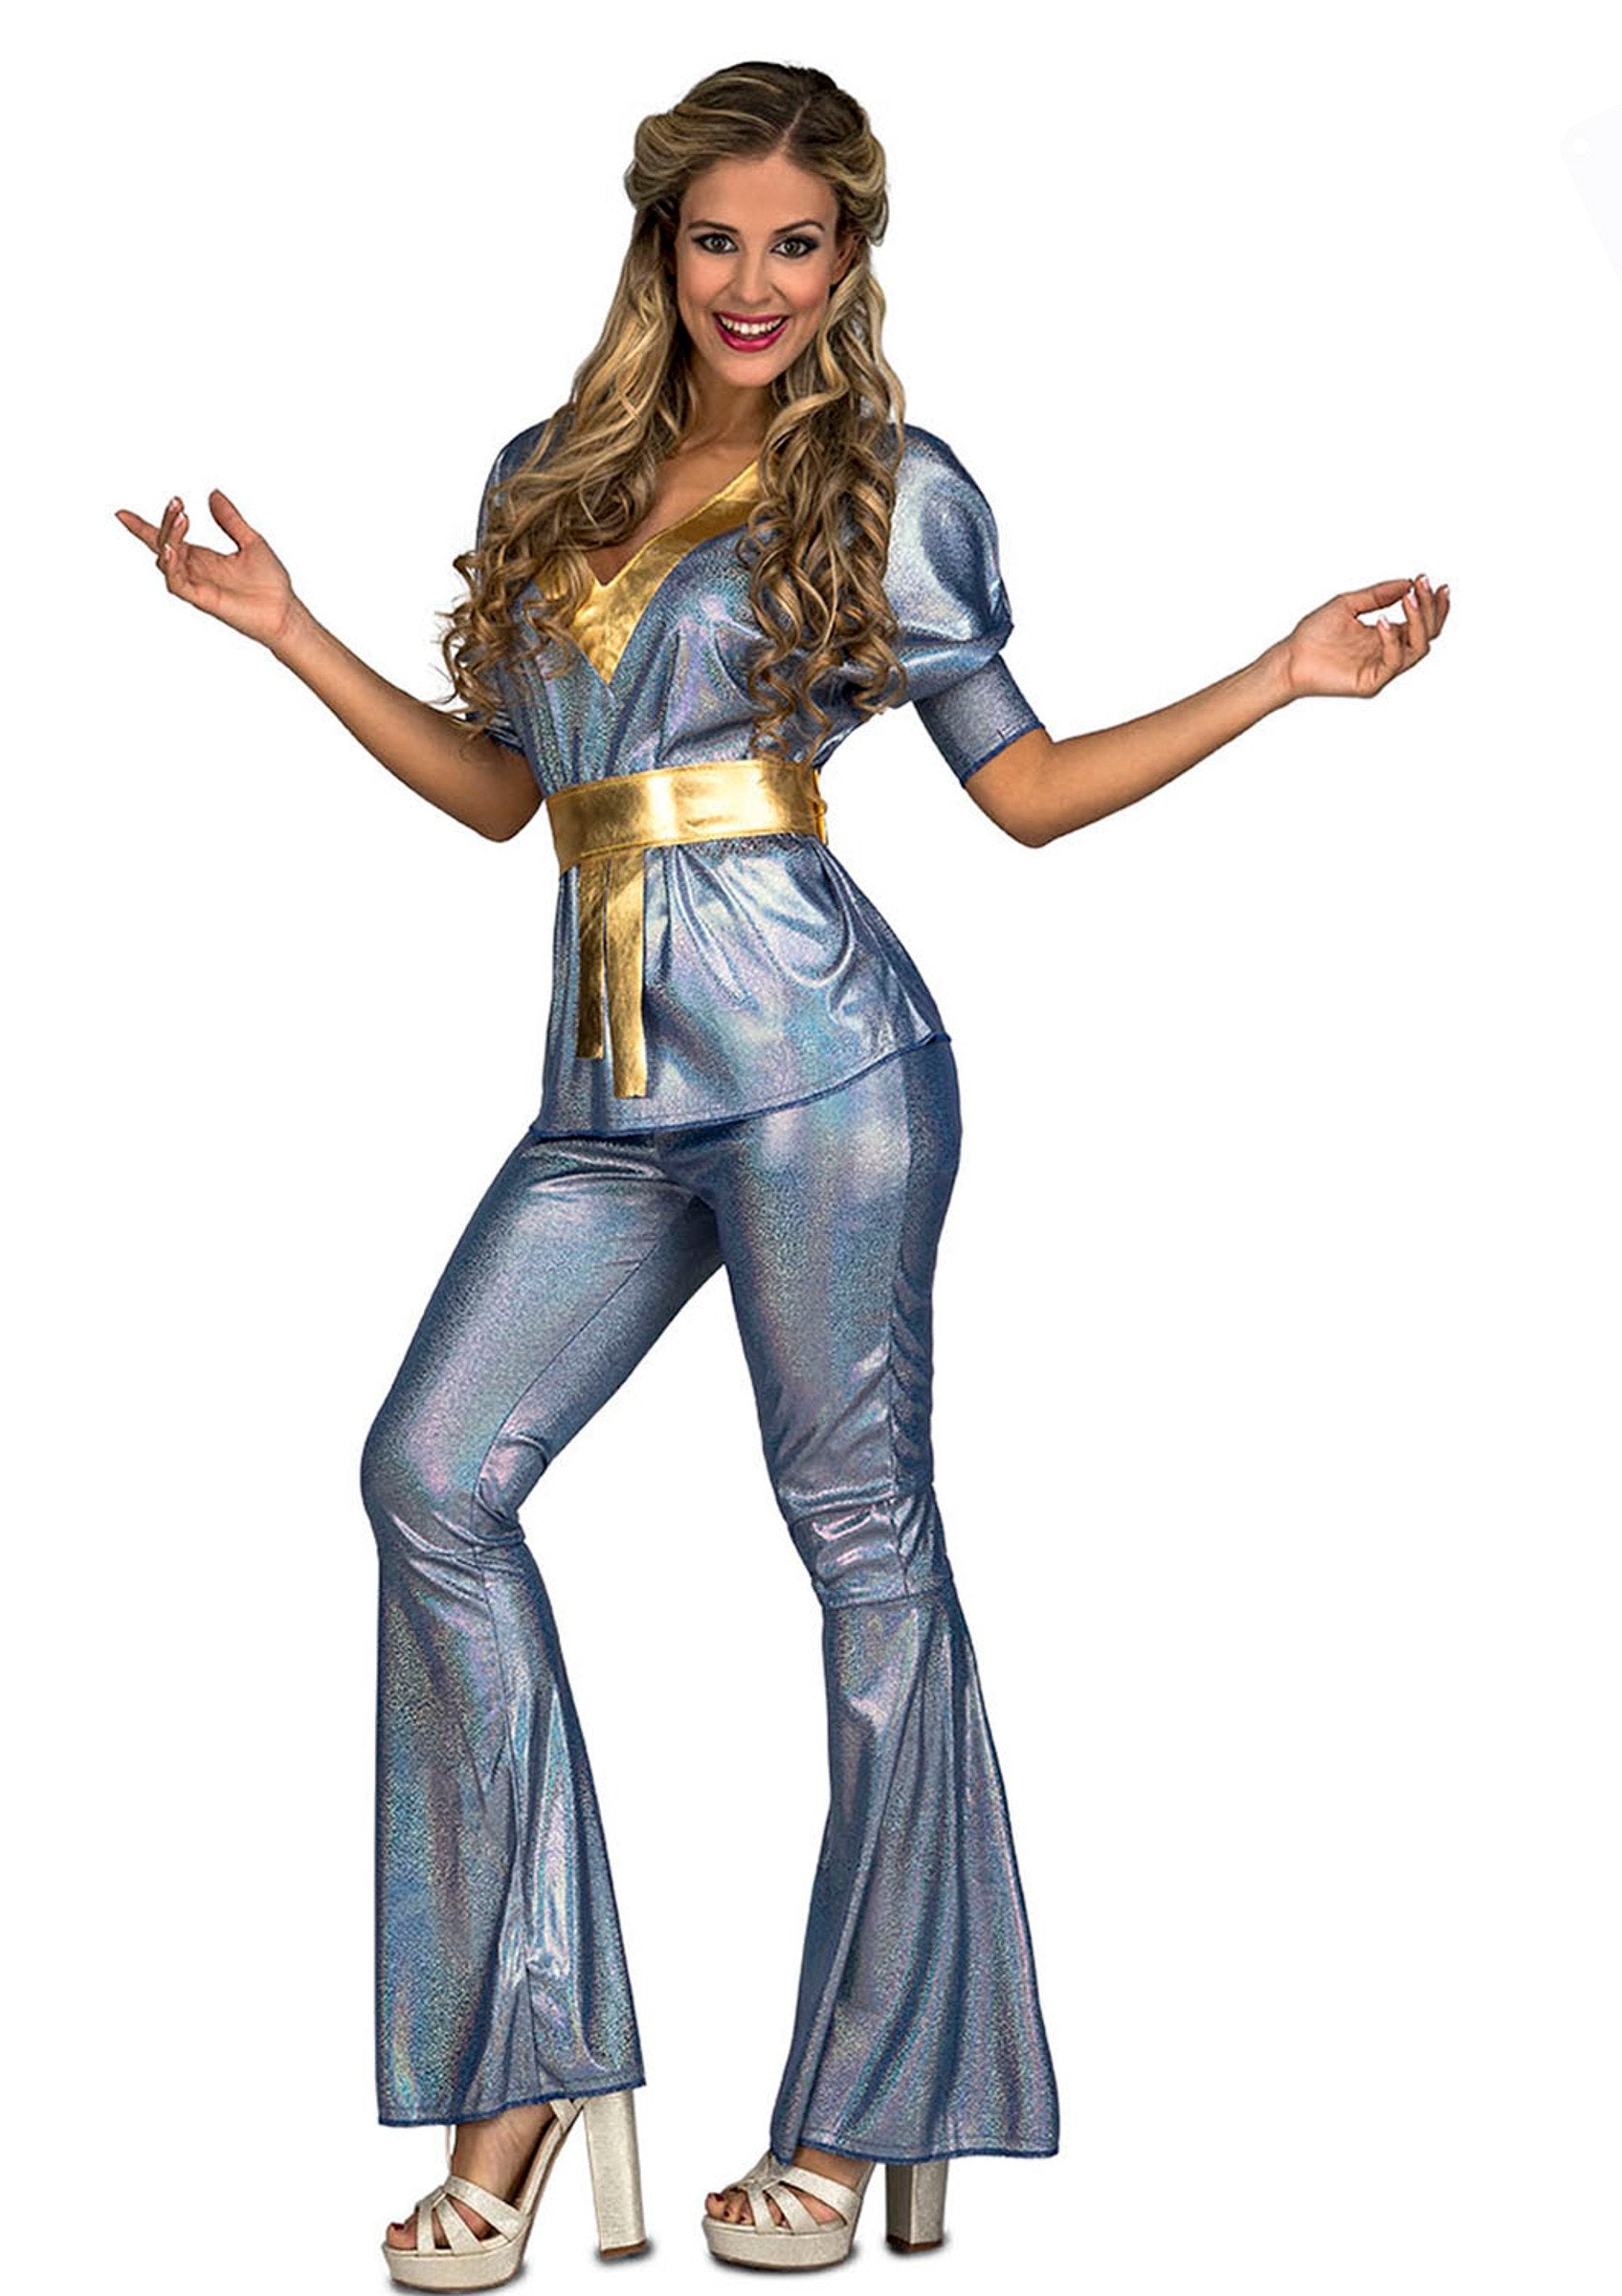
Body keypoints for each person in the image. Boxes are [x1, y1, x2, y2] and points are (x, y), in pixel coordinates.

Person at [116, 56, 1448, 2288]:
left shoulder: (889, 487)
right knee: (428, 1475)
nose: (754, 282)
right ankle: (529, 2066)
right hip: (608, 1091)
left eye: (796, 244)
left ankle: (856, 2111)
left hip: (830, 1072)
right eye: (718, 238)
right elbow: (509, 800)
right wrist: (288, 633)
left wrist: (1281, 677)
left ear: (849, 262)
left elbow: (1023, 792)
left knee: (859, 1549)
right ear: (661, 247)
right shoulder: (550, 473)